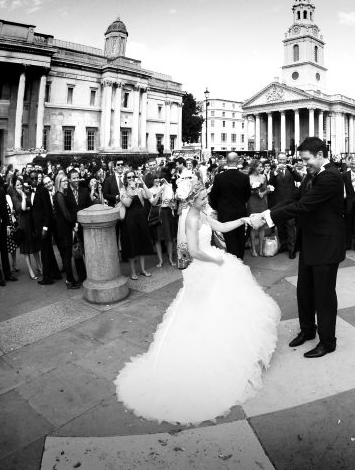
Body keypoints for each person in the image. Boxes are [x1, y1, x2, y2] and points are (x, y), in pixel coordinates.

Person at [115, 179, 280, 424]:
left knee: (224, 309)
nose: (206, 201)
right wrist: (215, 261)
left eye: (205, 197)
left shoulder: (202, 214)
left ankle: (232, 352)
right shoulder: (190, 219)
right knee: (201, 313)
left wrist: (244, 219)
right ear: (191, 200)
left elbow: (222, 227)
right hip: (204, 267)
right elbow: (193, 251)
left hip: (212, 261)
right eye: (202, 198)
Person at [252, 137, 345, 359]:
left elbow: (304, 206)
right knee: (304, 291)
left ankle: (327, 341)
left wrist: (267, 219)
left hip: (326, 245)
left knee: (324, 296)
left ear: (320, 155)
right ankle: (307, 330)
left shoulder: (331, 177)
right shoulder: (312, 175)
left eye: (307, 159)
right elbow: (293, 198)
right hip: (310, 243)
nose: (304, 164)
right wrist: (267, 213)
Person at [208, 152, 251, 259]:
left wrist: (217, 208)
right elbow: (247, 195)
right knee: (240, 238)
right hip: (240, 211)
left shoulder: (219, 177)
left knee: (229, 240)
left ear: (226, 161)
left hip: (225, 213)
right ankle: (240, 260)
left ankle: (233, 262)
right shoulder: (244, 177)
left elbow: (213, 196)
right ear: (238, 161)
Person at [268, 152, 303, 258]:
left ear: (287, 160)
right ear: (277, 160)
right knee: (280, 227)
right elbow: (270, 184)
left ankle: (292, 249)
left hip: (290, 203)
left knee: (290, 226)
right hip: (278, 203)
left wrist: (292, 169)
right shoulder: (273, 171)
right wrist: (275, 174)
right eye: (280, 160)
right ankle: (283, 245)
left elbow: (299, 179)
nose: (282, 162)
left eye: (284, 160)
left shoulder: (291, 169)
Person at [120, 170, 153, 279]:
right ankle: (133, 272)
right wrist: (132, 190)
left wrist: (143, 184)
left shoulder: (139, 189)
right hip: (129, 222)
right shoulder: (123, 190)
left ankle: (143, 270)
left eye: (133, 177)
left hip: (141, 220)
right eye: (129, 177)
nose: (131, 179)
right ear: (125, 179)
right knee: (132, 246)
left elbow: (149, 196)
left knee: (142, 244)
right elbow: (127, 204)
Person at [32, 175, 61, 286]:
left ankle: (47, 278)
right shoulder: (39, 190)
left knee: (45, 253)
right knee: (48, 251)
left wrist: (44, 228)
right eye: (33, 178)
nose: (34, 180)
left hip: (44, 227)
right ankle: (56, 274)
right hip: (41, 226)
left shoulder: (42, 190)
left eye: (36, 178)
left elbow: (47, 210)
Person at [19, 180, 41, 280]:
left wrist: (29, 207)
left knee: (35, 245)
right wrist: (23, 195)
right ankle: (30, 270)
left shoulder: (31, 193)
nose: (20, 186)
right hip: (24, 223)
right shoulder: (16, 196)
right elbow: (23, 208)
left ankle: (39, 266)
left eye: (21, 184)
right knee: (26, 248)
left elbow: (33, 206)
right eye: (17, 185)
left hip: (32, 221)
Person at [247, 160, 269, 257]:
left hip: (262, 203)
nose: (261, 168)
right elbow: (246, 191)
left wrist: (262, 193)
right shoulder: (248, 177)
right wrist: (255, 191)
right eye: (259, 166)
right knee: (253, 227)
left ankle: (260, 249)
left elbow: (266, 189)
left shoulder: (263, 176)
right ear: (254, 167)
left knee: (262, 226)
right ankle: (253, 249)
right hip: (252, 202)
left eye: (261, 167)